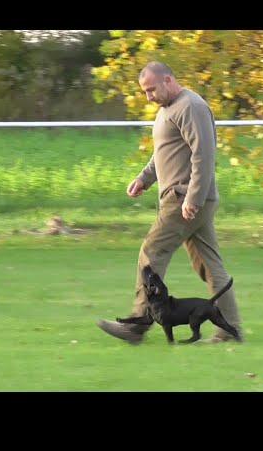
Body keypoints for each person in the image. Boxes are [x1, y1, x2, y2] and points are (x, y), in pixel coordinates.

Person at [97, 61, 243, 345]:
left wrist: (193, 197)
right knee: (210, 266)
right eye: (144, 92)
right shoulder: (168, 110)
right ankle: (229, 329)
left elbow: (203, 154)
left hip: (183, 199)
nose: (149, 96)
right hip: (185, 198)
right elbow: (165, 153)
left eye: (152, 89)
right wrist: (144, 179)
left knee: (150, 256)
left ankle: (136, 325)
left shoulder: (191, 106)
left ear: (168, 79)